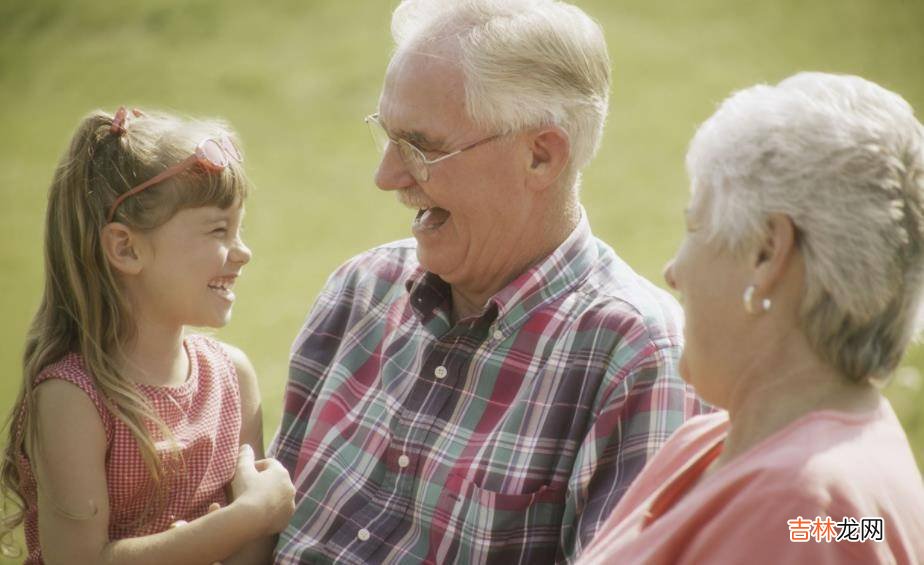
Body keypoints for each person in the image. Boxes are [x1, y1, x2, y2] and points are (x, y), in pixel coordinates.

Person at [269, 0, 709, 562]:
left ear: (541, 157)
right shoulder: (362, 288)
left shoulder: (638, 356)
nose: (387, 177)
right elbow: (263, 527)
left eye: (422, 146)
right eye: (387, 136)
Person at [579, 72, 924, 564]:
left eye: (694, 225)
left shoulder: (804, 503)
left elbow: (819, 529)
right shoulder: (708, 443)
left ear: (766, 252)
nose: (672, 271)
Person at [0, 107, 295, 564]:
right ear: (126, 248)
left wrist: (247, 526)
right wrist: (248, 517)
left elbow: (251, 557)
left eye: (240, 228)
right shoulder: (72, 399)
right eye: (219, 229)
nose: (244, 252)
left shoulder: (233, 378)